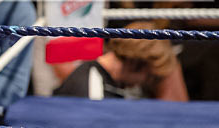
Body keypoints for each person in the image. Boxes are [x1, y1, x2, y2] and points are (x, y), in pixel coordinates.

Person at [53, 22, 188, 101]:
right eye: (149, 77)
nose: (144, 83)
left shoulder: (110, 83)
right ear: (135, 63)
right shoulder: (93, 89)